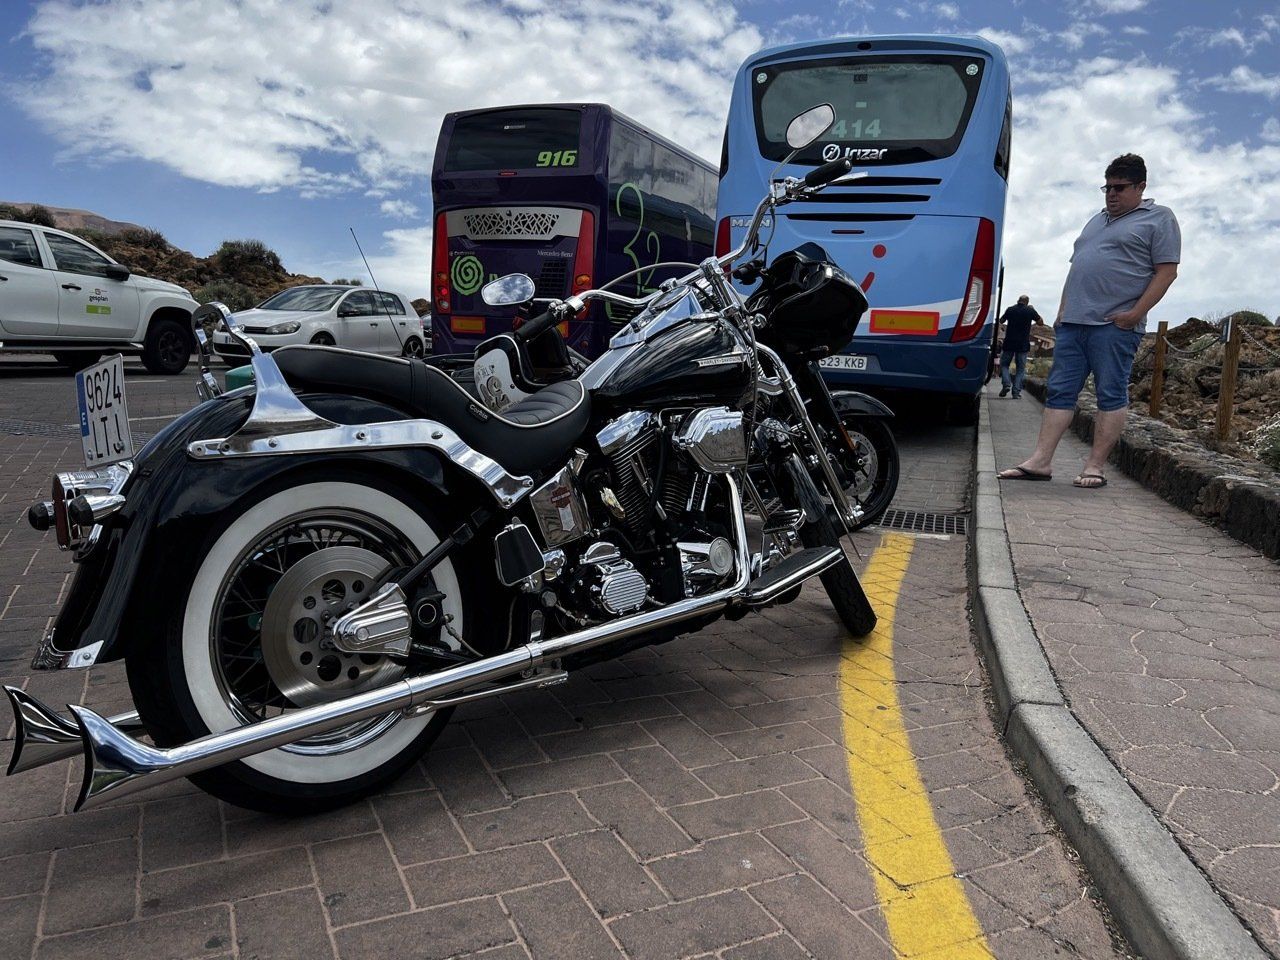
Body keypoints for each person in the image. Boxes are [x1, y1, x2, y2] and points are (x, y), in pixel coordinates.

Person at [999, 153, 1179, 489]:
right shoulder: (1096, 221)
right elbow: (1077, 266)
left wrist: (1135, 315)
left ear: (1141, 186)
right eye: (1106, 187)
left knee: (1110, 394)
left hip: (1114, 326)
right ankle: (1040, 462)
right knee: (1059, 393)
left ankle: (1094, 467)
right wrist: (1063, 312)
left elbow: (1167, 271)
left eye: (1120, 187)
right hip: (1074, 325)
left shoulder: (1159, 219)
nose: (1111, 194)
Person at [996, 295, 1043, 398]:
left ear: (1018, 300)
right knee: (1020, 369)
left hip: (1009, 343)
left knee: (1004, 365)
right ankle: (1016, 392)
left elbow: (1001, 321)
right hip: (1022, 344)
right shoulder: (1030, 311)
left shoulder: (1010, 309)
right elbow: (1040, 323)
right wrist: (1033, 310)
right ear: (1027, 302)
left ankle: (1006, 384)